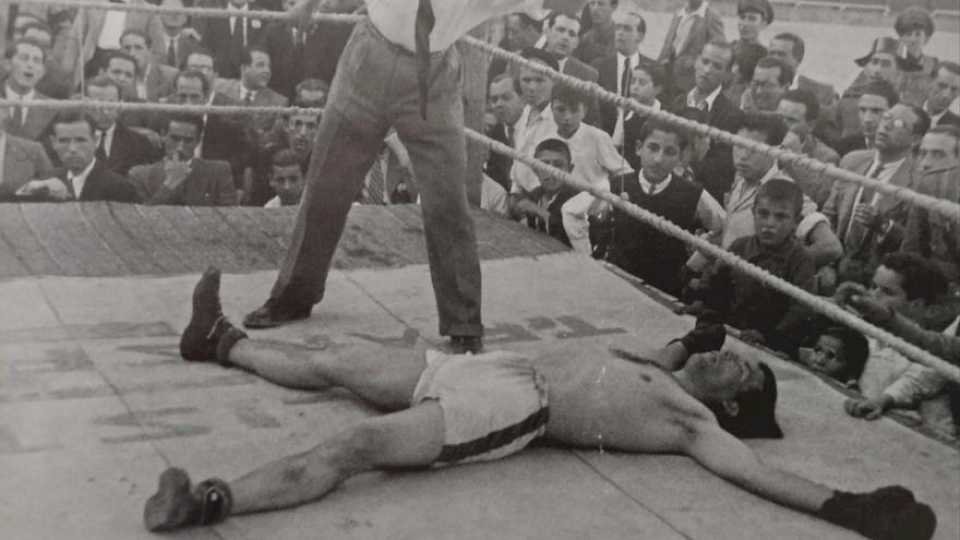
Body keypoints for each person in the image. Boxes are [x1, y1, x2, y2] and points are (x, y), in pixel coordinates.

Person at [142, 267, 937, 540]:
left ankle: (211, 501)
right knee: (338, 361)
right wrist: (700, 333)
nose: (737, 364)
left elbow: (756, 474)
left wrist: (848, 506)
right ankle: (217, 340)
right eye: (740, 360)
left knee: (356, 450)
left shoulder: (689, 422)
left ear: (731, 409)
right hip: (488, 367)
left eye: (747, 379)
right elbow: (688, 345)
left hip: (516, 408)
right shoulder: (663, 364)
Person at [241, 0, 594, 358]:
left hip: (433, 78)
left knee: (448, 202)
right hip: (368, 59)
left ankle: (464, 323)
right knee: (325, 186)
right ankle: (293, 295)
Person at [687, 179, 815, 354]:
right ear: (753, 213)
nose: (769, 223)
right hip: (728, 334)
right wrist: (703, 305)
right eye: (763, 214)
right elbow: (717, 286)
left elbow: (800, 311)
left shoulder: (800, 259)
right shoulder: (739, 246)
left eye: (780, 216)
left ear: (796, 221)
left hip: (769, 346)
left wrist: (768, 336)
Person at [608, 119, 724, 297]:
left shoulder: (692, 193)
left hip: (666, 288)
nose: (658, 159)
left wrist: (693, 265)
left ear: (680, 157)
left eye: (670, 152)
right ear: (639, 148)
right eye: (653, 148)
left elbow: (723, 229)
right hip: (617, 279)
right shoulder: (617, 184)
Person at [835, 253, 949, 424]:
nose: (874, 295)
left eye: (887, 292)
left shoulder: (931, 350)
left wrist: (885, 400)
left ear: (916, 305)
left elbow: (918, 380)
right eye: (874, 286)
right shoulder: (865, 327)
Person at [128, 113, 237, 206]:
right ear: (163, 135)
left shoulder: (219, 172)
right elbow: (141, 219)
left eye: (188, 140)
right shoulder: (139, 175)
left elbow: (230, 217)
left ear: (198, 141)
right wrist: (169, 185)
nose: (180, 147)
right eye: (174, 139)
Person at [507, 138, 580, 246]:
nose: (551, 172)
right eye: (544, 165)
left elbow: (572, 236)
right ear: (535, 169)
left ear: (570, 169)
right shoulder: (535, 194)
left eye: (558, 165)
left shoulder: (578, 199)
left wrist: (540, 212)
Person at [798, 326, 869, 388]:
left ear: (849, 366)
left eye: (831, 356)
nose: (819, 360)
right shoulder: (799, 366)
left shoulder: (848, 392)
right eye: (817, 350)